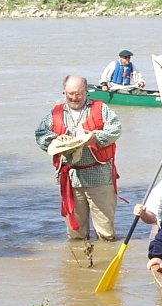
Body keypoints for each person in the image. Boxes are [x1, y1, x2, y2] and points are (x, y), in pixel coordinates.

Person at [35, 75, 121, 241]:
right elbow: (40, 134)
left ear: (86, 92)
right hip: (70, 179)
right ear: (64, 92)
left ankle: (105, 262)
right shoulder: (55, 112)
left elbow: (115, 129)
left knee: (106, 233)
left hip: (99, 177)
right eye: (70, 94)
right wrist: (54, 139)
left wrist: (95, 137)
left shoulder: (101, 108)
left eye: (79, 94)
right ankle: (80, 266)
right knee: (76, 234)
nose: (75, 98)